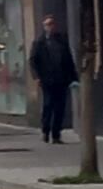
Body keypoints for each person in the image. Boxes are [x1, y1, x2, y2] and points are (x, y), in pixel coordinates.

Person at [29, 16, 78, 145]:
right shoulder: (39, 43)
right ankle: (45, 131)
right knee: (48, 105)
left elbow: (68, 60)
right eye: (47, 24)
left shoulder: (61, 41)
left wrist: (73, 78)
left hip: (61, 79)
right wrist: (37, 77)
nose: (50, 27)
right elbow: (33, 60)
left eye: (52, 24)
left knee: (60, 107)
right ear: (44, 26)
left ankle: (56, 134)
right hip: (47, 80)